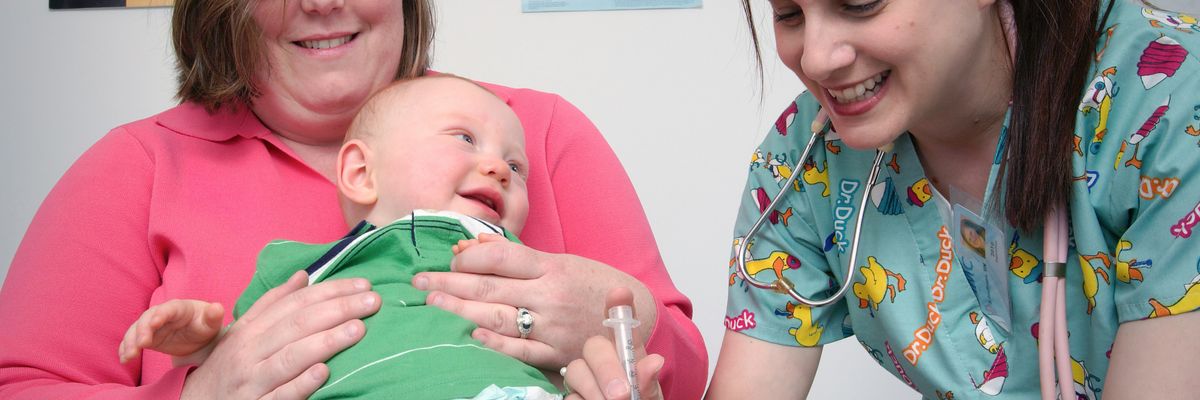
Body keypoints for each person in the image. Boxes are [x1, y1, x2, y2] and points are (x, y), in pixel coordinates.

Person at [0, 1, 704, 399]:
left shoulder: (530, 137)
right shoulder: (136, 166)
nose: (321, 3)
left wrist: (623, 318)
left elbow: (689, 370)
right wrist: (193, 396)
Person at [709, 0, 1200, 399]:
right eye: (789, 14)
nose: (815, 58)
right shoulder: (807, 154)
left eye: (858, 3)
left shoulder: (1168, 102)